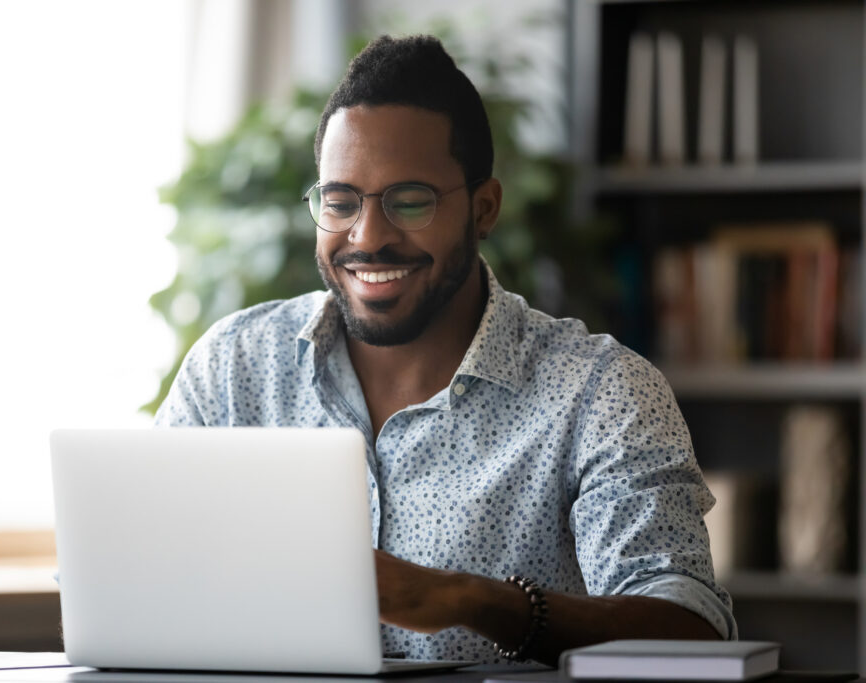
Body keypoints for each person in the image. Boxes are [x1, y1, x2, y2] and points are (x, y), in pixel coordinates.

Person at [154, 34, 736, 665]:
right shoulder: (232, 368)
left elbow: (690, 630)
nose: (368, 237)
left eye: (410, 202)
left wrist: (469, 600)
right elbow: (136, 575)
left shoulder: (600, 392)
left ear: (483, 210)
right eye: (340, 201)